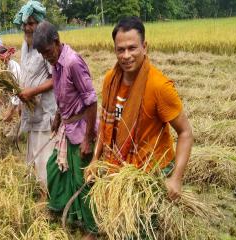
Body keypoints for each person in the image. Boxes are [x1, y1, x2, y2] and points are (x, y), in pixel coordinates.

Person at [85, 17, 194, 203]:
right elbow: (105, 124)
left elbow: (186, 133)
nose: (126, 55)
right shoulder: (110, 80)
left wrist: (176, 179)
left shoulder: (159, 86)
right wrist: (95, 158)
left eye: (132, 48)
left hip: (150, 170)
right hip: (119, 165)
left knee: (139, 229)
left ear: (145, 47)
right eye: (121, 50)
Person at [33, 21, 98, 239]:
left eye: (47, 51)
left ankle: (92, 228)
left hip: (81, 130)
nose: (46, 57)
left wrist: (88, 139)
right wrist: (58, 118)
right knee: (56, 168)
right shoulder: (56, 63)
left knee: (83, 181)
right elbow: (63, 95)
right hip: (67, 127)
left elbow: (91, 100)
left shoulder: (71, 63)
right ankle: (64, 210)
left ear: (56, 42)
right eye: (42, 53)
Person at [10, 1, 57, 193]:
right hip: (31, 110)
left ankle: (50, 195)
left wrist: (33, 92)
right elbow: (26, 74)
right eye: (25, 24)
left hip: (46, 110)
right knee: (34, 155)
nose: (27, 27)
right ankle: (37, 190)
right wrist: (21, 99)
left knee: (46, 155)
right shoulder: (26, 44)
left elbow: (56, 78)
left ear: (39, 23)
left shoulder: (45, 45)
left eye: (31, 23)